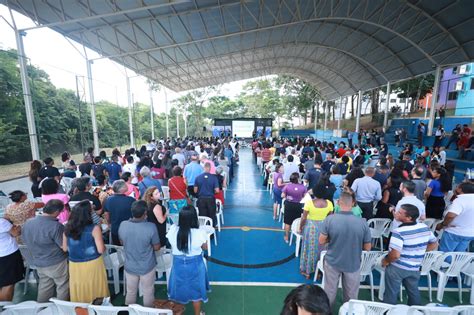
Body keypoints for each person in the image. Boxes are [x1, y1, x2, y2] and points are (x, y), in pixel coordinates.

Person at [319, 192, 371, 308]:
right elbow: (367, 247)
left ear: (338, 202)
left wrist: (332, 238)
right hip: (353, 264)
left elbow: (321, 241)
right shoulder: (362, 222)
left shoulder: (330, 219)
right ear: (353, 204)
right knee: (351, 295)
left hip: (333, 262)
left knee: (329, 291)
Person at [382, 204, 438, 305]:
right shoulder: (424, 227)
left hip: (397, 268)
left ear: (409, 218)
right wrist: (418, 252)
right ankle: (415, 311)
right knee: (413, 292)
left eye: (399, 213)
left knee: (391, 294)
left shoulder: (398, 232)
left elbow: (395, 255)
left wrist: (385, 261)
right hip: (415, 268)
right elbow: (434, 243)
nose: (396, 213)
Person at [22, 199, 70, 302]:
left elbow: (25, 240)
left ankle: (41, 308)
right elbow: (63, 246)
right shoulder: (56, 226)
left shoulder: (28, 223)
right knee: (62, 285)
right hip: (56, 262)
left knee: (45, 286)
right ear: (56, 212)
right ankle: (61, 309)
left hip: (38, 261)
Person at [62, 201, 109, 303]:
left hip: (74, 264)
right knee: (95, 285)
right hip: (92, 263)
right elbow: (101, 249)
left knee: (79, 287)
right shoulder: (94, 228)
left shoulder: (67, 227)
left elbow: (65, 248)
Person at [167, 206, 209, 315]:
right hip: (195, 264)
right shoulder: (199, 232)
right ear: (194, 218)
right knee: (197, 291)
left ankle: (178, 313)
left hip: (178, 264)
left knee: (178, 289)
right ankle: (197, 313)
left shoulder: (173, 229)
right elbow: (205, 247)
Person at [119, 200, 161, 307]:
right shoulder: (151, 227)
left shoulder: (123, 225)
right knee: (148, 292)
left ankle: (129, 311)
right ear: (144, 214)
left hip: (130, 266)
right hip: (147, 266)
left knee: (131, 292)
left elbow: (122, 242)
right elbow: (156, 247)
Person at [299, 185, 333, 279]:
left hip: (311, 228)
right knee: (322, 249)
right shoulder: (329, 203)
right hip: (324, 228)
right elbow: (330, 218)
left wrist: (300, 227)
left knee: (309, 248)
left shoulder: (309, 203)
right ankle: (319, 271)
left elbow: (304, 217)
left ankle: (307, 271)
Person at [437, 182, 474, 252]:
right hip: (469, 234)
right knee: (457, 256)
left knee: (444, 256)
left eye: (457, 186)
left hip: (454, 232)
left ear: (460, 189)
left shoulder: (460, 200)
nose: (455, 188)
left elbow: (450, 216)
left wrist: (442, 225)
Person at [103, 180, 135, 245]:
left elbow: (106, 214)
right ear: (122, 189)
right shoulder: (131, 200)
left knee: (118, 248)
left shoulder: (108, 199)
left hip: (115, 228)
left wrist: (109, 223)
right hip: (129, 229)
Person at [0, 218, 23, 301]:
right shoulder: (2, 222)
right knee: (8, 284)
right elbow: (15, 233)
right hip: (7, 256)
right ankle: (5, 309)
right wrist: (18, 228)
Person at [281, 173, 307, 243]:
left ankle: (286, 237)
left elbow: (282, 195)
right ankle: (297, 237)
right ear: (298, 179)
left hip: (289, 205)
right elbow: (305, 197)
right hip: (298, 206)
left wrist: (288, 197)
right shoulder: (303, 187)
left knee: (287, 222)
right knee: (297, 220)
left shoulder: (287, 186)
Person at [194, 162, 219, 227]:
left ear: (203, 168)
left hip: (201, 199)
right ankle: (212, 229)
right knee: (212, 215)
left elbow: (195, 190)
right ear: (210, 168)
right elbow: (217, 190)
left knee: (202, 216)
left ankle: (203, 230)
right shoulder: (214, 178)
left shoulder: (197, 178)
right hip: (211, 199)